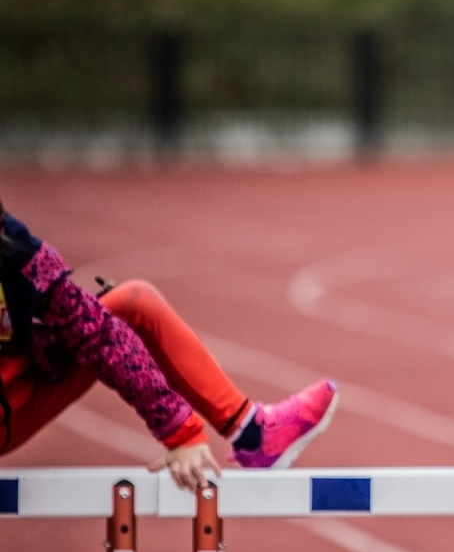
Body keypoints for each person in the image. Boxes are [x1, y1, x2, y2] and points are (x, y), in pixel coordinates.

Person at [0, 204, 337, 488]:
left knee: (134, 302)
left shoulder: (11, 243)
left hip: (13, 401)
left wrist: (180, 431)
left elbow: (95, 331)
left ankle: (252, 433)